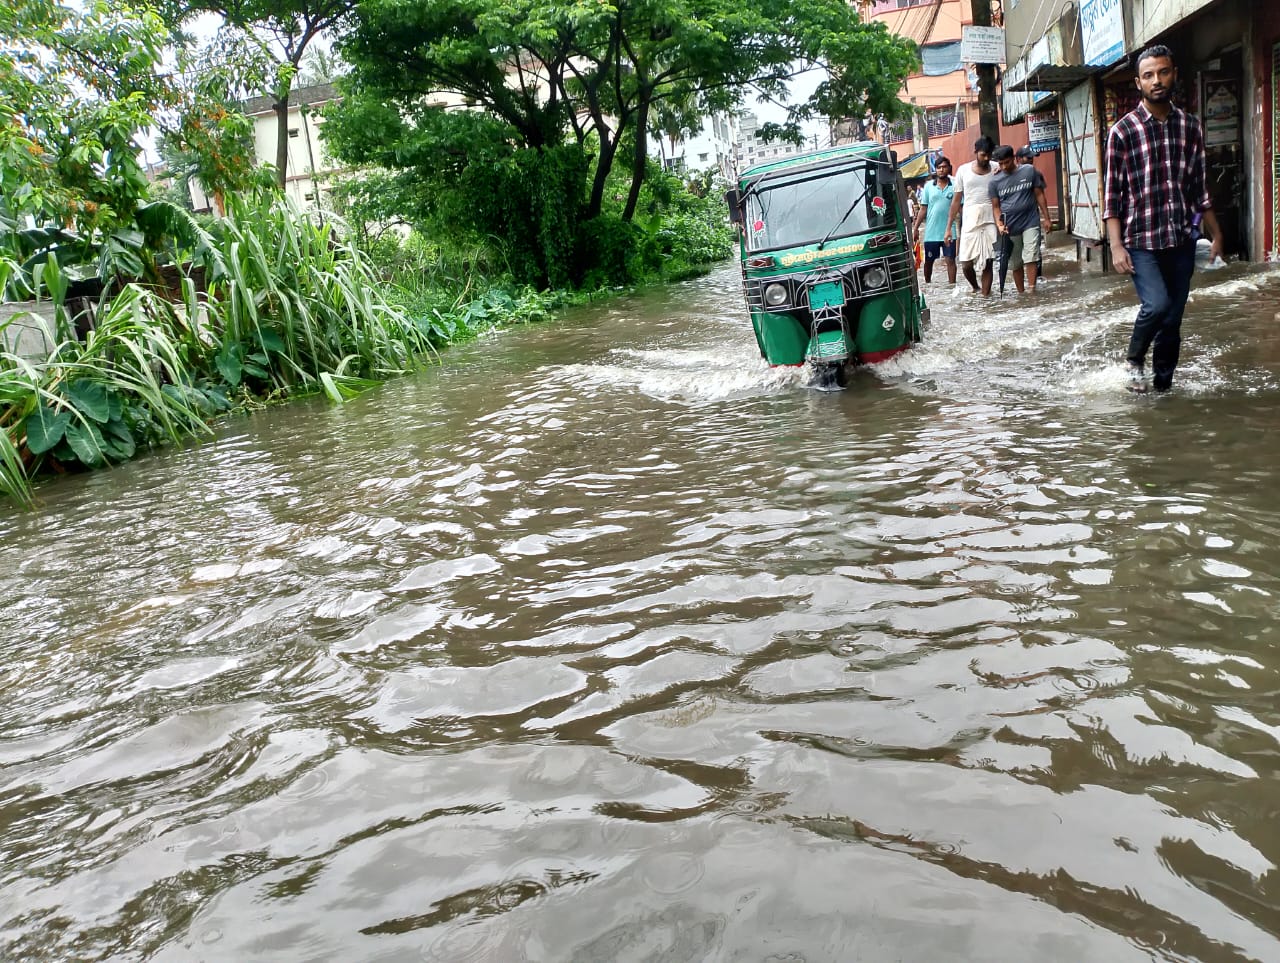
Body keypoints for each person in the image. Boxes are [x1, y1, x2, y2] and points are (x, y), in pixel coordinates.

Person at [1103, 44, 1222, 393]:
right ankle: (1135, 359)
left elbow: (1200, 187)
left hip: (1181, 239)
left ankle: (1163, 391)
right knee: (1156, 306)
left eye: (1163, 72)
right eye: (1148, 75)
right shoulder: (1122, 132)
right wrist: (1115, 246)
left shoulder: (1190, 127)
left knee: (1172, 321)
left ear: (1174, 75)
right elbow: (1112, 195)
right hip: (1140, 241)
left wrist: (1216, 234)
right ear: (1138, 83)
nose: (1157, 80)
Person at [989, 145, 1051, 293]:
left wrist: (1046, 218)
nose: (1004, 166)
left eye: (1007, 162)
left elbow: (1039, 195)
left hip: (1030, 221)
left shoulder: (1029, 171)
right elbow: (996, 206)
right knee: (1015, 262)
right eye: (1001, 163)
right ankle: (1021, 293)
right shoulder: (994, 182)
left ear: (1014, 159)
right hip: (1010, 226)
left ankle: (1031, 290)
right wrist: (999, 224)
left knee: (1031, 255)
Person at [945, 136, 997, 295]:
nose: (986, 158)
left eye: (989, 154)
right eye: (983, 154)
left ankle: (985, 297)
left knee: (988, 260)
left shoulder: (996, 168)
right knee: (966, 263)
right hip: (969, 220)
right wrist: (948, 228)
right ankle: (975, 287)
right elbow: (956, 201)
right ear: (975, 152)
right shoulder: (963, 170)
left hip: (990, 218)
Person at [911, 156, 956, 284]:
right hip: (931, 232)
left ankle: (952, 286)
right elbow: (923, 209)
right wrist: (915, 229)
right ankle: (928, 285)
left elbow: (960, 207)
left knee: (951, 260)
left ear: (949, 169)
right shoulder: (928, 187)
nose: (941, 170)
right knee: (929, 261)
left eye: (944, 167)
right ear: (935, 170)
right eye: (939, 167)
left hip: (950, 230)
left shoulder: (955, 185)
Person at [1015, 146, 1045, 277]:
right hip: (1013, 221)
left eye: (1032, 157)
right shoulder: (1006, 175)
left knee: (1034, 251)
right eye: (1028, 157)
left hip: (1032, 218)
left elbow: (1040, 195)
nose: (1031, 160)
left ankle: (1036, 281)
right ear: (1018, 159)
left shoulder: (1036, 174)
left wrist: (1046, 218)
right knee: (1017, 255)